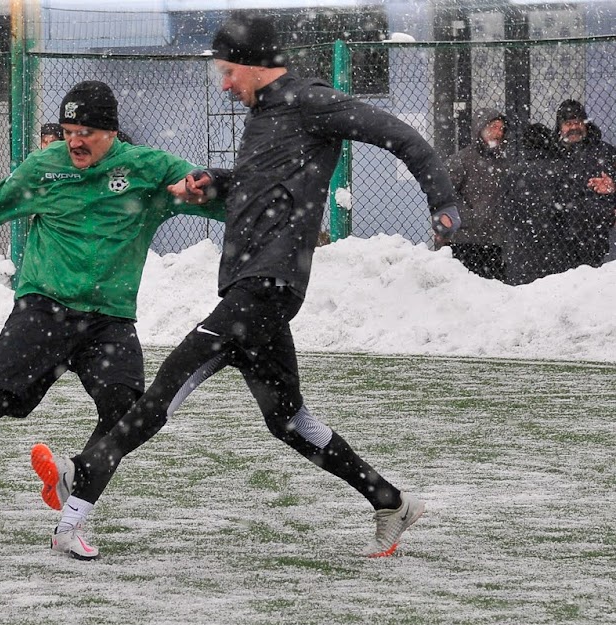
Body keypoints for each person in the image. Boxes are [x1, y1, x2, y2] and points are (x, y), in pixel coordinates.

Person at [30, 12, 461, 561]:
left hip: (266, 287)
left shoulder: (312, 101)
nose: (225, 84)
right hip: (250, 287)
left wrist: (442, 200)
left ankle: (78, 484)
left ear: (255, 65)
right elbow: (262, 187)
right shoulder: (262, 119)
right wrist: (220, 181)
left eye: (229, 72)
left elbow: (403, 137)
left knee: (165, 389)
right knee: (289, 421)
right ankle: (391, 502)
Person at [0, 81, 226, 556]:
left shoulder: (148, 170)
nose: (75, 141)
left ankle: (69, 524)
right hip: (43, 309)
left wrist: (232, 201)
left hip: (109, 321)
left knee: (126, 415)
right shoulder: (45, 168)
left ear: (112, 132)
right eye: (69, 130)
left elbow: (206, 190)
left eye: (87, 132)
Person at [502, 100, 616, 284]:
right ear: (559, 127)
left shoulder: (606, 153)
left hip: (599, 234)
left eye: (578, 122)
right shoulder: (550, 153)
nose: (574, 128)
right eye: (568, 123)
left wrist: (613, 187)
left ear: (586, 124)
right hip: (560, 241)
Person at [443, 108, 510, 281]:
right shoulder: (461, 160)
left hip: (495, 242)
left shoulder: (505, 162)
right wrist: (469, 216)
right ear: (479, 129)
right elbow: (444, 194)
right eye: (493, 127)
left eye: (501, 128)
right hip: (465, 241)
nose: (498, 133)